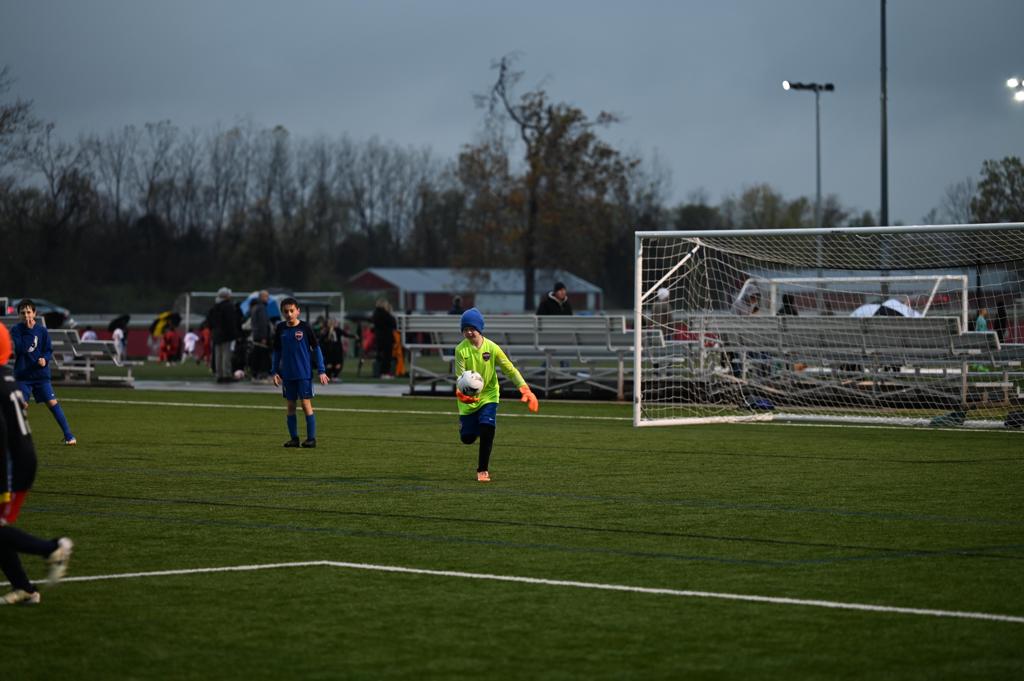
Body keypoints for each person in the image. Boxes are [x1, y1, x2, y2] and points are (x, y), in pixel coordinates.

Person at [0, 322, 74, 605]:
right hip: (20, 458)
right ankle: (25, 589)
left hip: (11, 465)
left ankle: (53, 548)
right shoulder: (8, 378)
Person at [454, 308, 539, 482]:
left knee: (488, 428)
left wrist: (525, 389)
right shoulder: (460, 350)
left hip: (489, 395)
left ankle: (482, 470)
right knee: (467, 438)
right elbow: (460, 377)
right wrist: (461, 394)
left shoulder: (492, 348)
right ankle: (471, 427)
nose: (469, 332)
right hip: (468, 400)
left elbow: (510, 369)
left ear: (479, 328)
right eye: (465, 329)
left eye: (472, 328)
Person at [10, 300, 76, 445]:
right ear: (18, 315)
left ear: (34, 313)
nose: (26, 315)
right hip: (23, 376)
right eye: (23, 313)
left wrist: (45, 360)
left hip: (40, 375)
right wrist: (28, 331)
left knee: (52, 403)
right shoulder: (16, 330)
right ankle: (17, 439)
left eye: (29, 312)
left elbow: (48, 350)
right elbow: (20, 350)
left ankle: (69, 436)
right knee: (20, 405)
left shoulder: (42, 331)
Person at [272, 298, 329, 448]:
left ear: (298, 311)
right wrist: (275, 371)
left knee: (305, 404)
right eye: (286, 311)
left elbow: (316, 349)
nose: (289, 314)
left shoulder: (305, 327)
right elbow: (276, 351)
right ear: (282, 312)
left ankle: (311, 439)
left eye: (292, 311)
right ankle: (294, 439)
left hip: (304, 373)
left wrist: (321, 370)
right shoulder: (280, 328)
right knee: (290, 406)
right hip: (287, 375)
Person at [206, 287, 242, 383]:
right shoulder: (228, 306)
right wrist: (235, 333)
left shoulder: (215, 306)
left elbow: (209, 321)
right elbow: (231, 321)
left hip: (216, 333)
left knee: (218, 355)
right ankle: (226, 374)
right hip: (226, 334)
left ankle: (219, 375)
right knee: (226, 355)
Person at [248, 290, 273, 380]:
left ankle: (255, 373)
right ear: (262, 297)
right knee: (263, 356)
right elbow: (263, 323)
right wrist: (264, 337)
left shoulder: (255, 307)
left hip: (256, 335)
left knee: (256, 355)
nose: (268, 298)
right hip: (261, 336)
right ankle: (262, 374)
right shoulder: (262, 308)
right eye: (266, 296)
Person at [371, 298, 397, 378]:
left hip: (379, 337)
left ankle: (379, 372)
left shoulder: (375, 313)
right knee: (387, 356)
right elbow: (393, 323)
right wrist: (390, 313)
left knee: (380, 356)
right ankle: (385, 373)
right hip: (386, 337)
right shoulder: (385, 314)